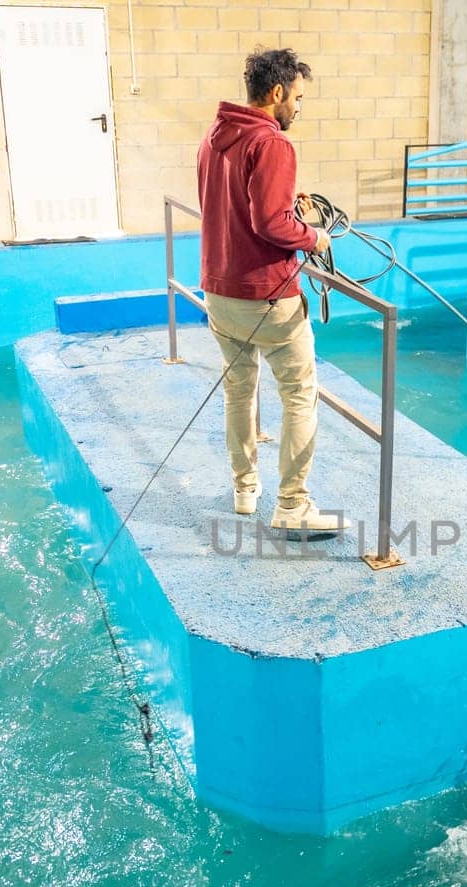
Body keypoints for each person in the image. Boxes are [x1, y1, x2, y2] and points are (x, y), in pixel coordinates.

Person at [197, 47, 343, 535]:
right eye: (297, 98)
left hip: (219, 291)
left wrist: (286, 208)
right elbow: (268, 222)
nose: (299, 108)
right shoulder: (274, 144)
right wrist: (313, 235)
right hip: (267, 296)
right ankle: (293, 505)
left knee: (239, 392)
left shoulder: (213, 139)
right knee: (300, 393)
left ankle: (244, 489)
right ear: (277, 92)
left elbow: (242, 208)